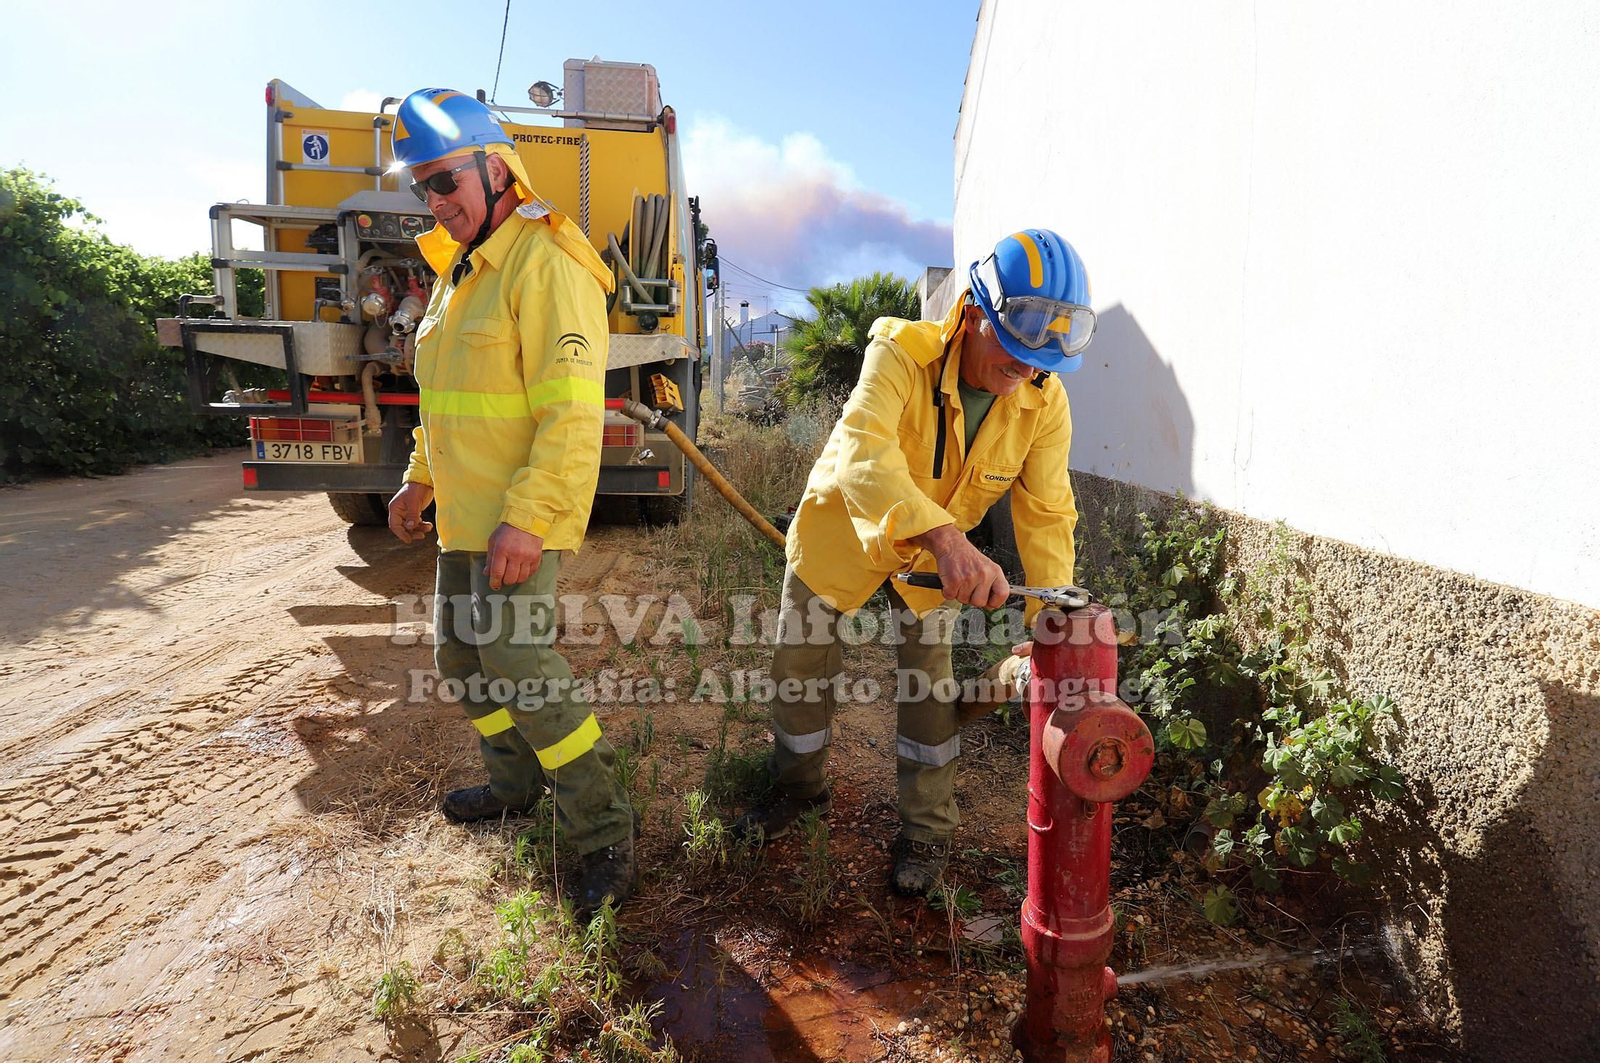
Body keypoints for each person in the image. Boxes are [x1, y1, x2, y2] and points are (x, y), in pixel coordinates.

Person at [734, 229, 1095, 896]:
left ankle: (926, 833)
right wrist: (948, 540)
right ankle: (798, 789)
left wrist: (1047, 616)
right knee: (799, 669)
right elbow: (864, 453)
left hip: (934, 562)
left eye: (1040, 359)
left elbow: (1048, 511)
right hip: (846, 529)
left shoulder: (1045, 402)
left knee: (928, 693)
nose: (1025, 369)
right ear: (972, 312)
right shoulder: (900, 350)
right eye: (1014, 347)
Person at [385, 88, 635, 913]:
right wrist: (421, 476)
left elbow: (571, 412)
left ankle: (602, 829)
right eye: (423, 185)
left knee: (520, 665)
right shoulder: (458, 270)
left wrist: (528, 517)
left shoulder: (546, 259)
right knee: (462, 660)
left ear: (496, 169)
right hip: (463, 517)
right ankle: (515, 784)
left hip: (515, 517)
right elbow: (446, 397)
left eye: (445, 180)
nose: (434, 200)